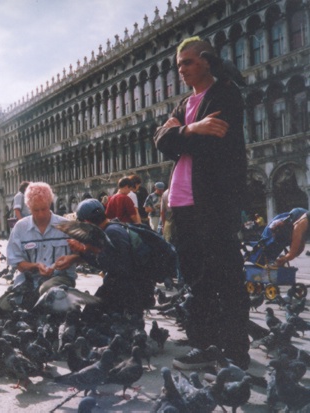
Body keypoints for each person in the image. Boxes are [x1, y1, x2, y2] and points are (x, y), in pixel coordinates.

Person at [154, 37, 250, 370]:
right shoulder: (184, 105)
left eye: (188, 62)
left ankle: (235, 352)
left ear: (206, 61)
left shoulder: (224, 94)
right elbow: (160, 141)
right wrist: (193, 128)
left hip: (212, 201)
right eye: (178, 64)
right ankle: (205, 345)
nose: (181, 70)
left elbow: (212, 144)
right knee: (196, 280)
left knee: (226, 275)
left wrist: (180, 135)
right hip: (182, 204)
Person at [0, 182, 79, 314]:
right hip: (29, 281)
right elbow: (18, 264)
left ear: (50, 204)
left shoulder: (67, 226)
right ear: (29, 207)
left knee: (46, 289)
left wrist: (72, 259)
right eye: (35, 210)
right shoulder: (20, 228)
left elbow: (83, 255)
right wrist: (35, 266)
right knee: (0, 309)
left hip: (60, 280)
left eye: (44, 209)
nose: (40, 214)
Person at [69, 199, 155, 320]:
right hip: (130, 286)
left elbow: (114, 265)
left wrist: (84, 251)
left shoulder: (111, 234)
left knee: (90, 319)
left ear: (87, 223)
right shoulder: (114, 227)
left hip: (128, 290)